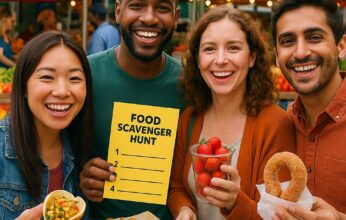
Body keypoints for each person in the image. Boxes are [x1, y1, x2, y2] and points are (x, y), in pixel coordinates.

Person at [168, 6, 295, 220]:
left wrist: (236, 202)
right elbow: (177, 187)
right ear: (198, 60)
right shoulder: (189, 118)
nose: (220, 59)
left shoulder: (275, 124)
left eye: (233, 48)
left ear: (252, 57)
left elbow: (280, 215)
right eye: (209, 49)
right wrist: (184, 208)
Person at [79, 0, 183, 219]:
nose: (149, 17)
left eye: (162, 8)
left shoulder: (191, 86)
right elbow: (56, 152)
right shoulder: (84, 76)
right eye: (136, 5)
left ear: (176, 15)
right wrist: (80, 177)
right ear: (118, 10)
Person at [271, 0, 346, 219]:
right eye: (288, 41)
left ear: (341, 46)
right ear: (276, 54)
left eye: (314, 37)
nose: (300, 53)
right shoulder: (282, 123)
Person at [0, 31, 94, 219]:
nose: (62, 91)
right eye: (47, 77)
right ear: (24, 86)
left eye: (74, 78)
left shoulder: (85, 149)